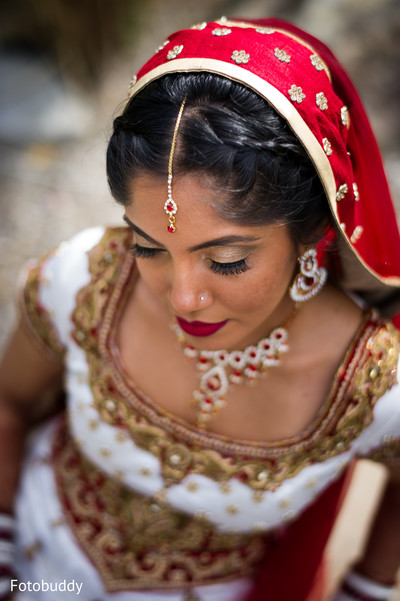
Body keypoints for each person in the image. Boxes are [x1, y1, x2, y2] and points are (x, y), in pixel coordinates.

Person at [0, 15, 400, 601]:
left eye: (228, 260)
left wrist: (363, 588)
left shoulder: (374, 385)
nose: (184, 297)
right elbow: (8, 403)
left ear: (312, 234)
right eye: (148, 246)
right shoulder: (84, 281)